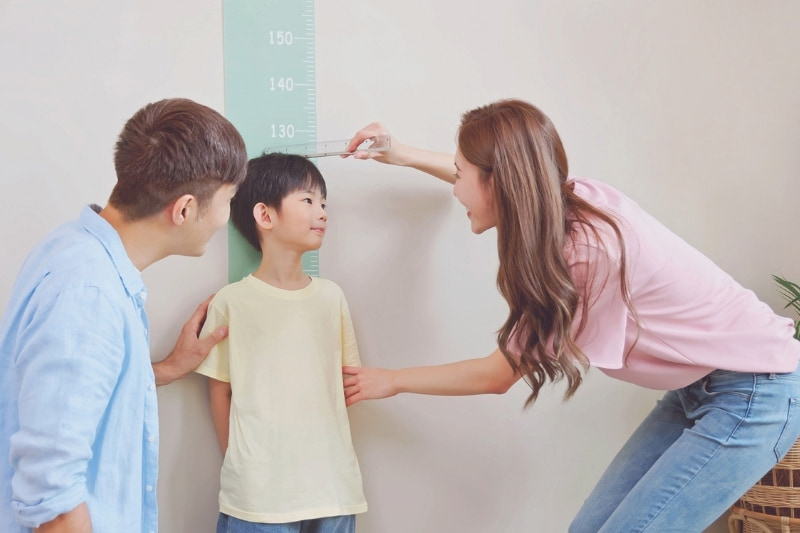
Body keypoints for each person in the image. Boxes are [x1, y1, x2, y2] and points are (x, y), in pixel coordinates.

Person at [340, 98, 800, 532]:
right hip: (699, 386)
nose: (456, 188)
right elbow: (504, 173)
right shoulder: (571, 197)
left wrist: (391, 380)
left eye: (461, 175)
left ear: (497, 183)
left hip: (755, 392)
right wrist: (401, 154)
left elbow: (496, 374)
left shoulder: (585, 255)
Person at [0, 98, 248, 533]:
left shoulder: (75, 246)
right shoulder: (89, 294)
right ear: (185, 209)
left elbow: (62, 394)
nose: (226, 218)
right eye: (229, 200)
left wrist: (166, 369)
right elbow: (53, 499)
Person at [195, 153, 367, 533]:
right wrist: (244, 469)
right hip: (258, 498)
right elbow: (219, 393)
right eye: (308, 200)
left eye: (324, 204)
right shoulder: (230, 302)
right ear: (265, 215)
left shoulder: (332, 297)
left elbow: (346, 383)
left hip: (333, 490)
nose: (322, 213)